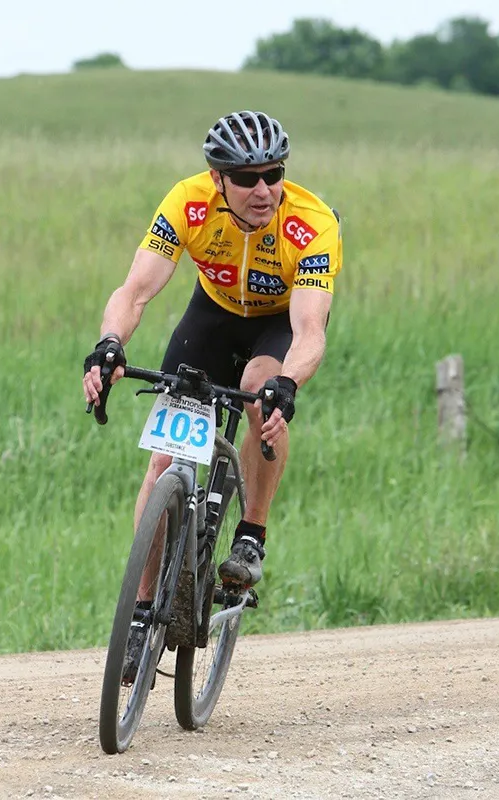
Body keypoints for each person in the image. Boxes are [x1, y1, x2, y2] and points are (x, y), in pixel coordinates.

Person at [83, 110, 343, 676]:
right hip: (214, 316)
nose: (263, 189)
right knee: (162, 463)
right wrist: (108, 345)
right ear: (218, 178)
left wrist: (287, 383)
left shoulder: (311, 222)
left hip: (277, 326)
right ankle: (141, 610)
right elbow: (136, 291)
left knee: (256, 390)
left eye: (273, 174)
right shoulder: (188, 203)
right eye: (246, 178)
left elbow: (310, 331)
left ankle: (251, 532)